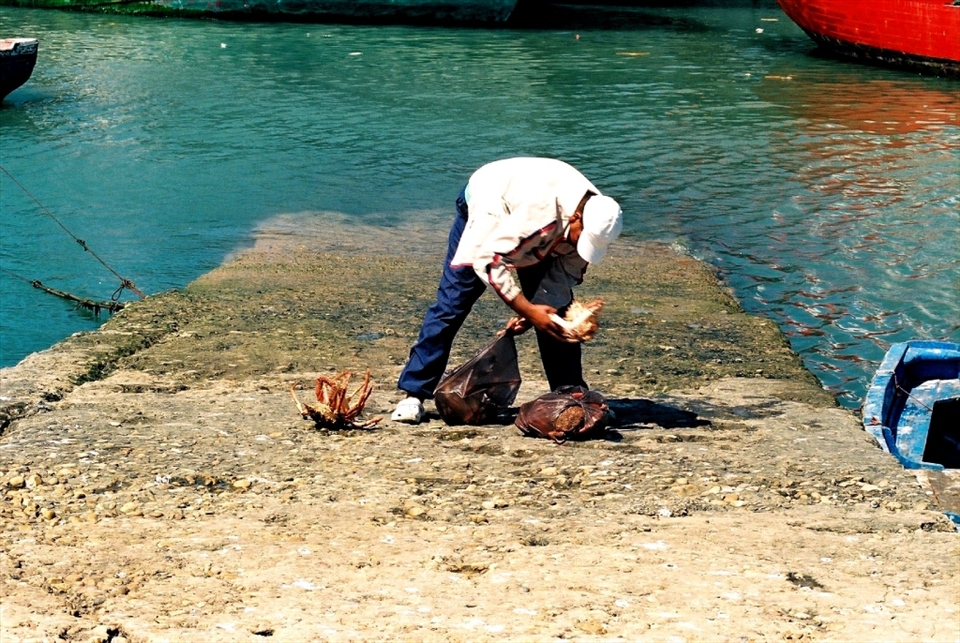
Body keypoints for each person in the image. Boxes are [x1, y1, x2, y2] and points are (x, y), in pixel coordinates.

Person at [392, 157, 623, 424]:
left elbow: (562, 277)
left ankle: (570, 394)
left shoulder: (597, 219)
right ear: (576, 218)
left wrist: (537, 310)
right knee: (454, 301)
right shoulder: (538, 217)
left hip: (535, 217)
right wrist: (526, 307)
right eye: (581, 239)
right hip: (491, 198)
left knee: (558, 317)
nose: (581, 246)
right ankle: (413, 394)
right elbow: (487, 260)